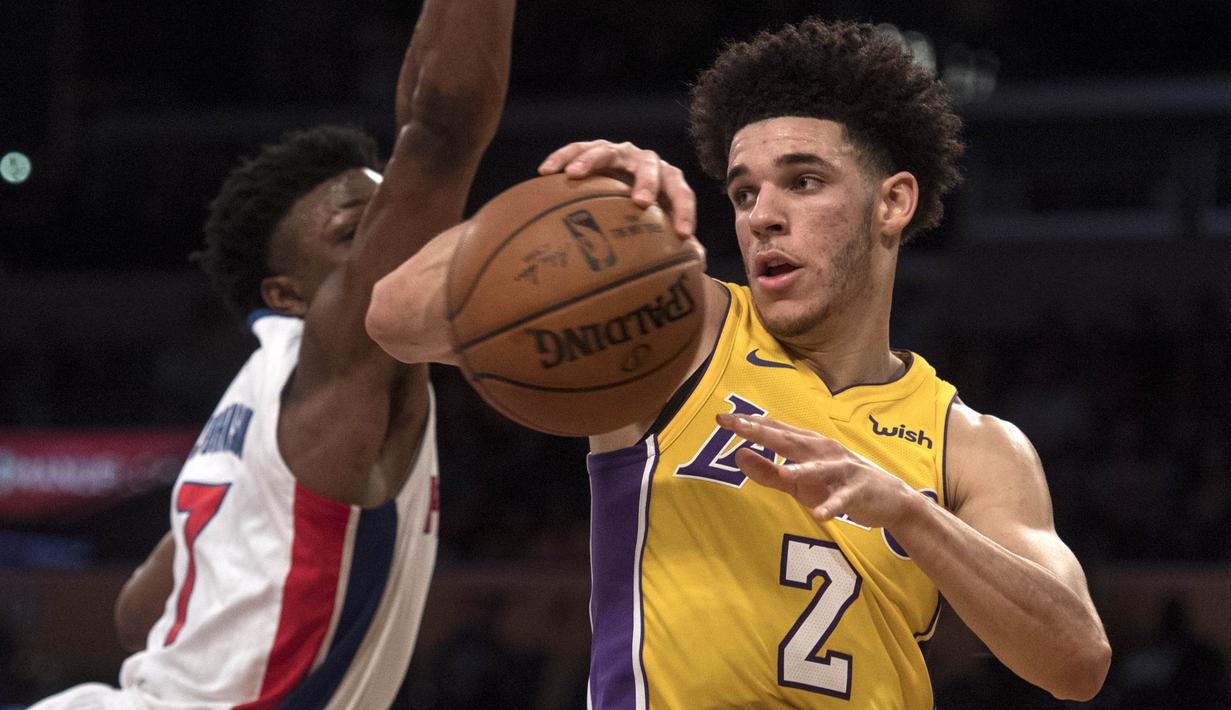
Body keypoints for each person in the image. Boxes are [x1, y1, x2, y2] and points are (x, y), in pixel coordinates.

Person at [365, 17, 1111, 709]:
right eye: (743, 190)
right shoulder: (677, 331)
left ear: (892, 204)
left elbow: (1075, 660)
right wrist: (579, 203)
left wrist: (908, 511)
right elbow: (394, 320)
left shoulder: (971, 445)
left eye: (803, 181)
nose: (761, 214)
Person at [29, 1, 513, 708]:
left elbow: (138, 612)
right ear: (286, 293)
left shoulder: (243, 412)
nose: (400, 246)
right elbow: (439, 131)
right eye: (359, 236)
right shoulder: (336, 354)